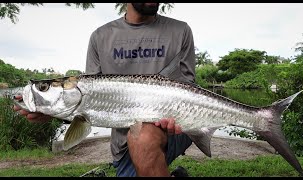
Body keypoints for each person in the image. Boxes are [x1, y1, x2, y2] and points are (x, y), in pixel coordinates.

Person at [14, 3, 196, 177]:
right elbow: (86, 109)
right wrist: (53, 113)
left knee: (144, 137)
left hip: (180, 124)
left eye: (43, 87)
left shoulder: (181, 31)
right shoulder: (100, 37)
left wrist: (178, 113)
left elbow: (188, 85)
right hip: (124, 141)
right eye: (43, 88)